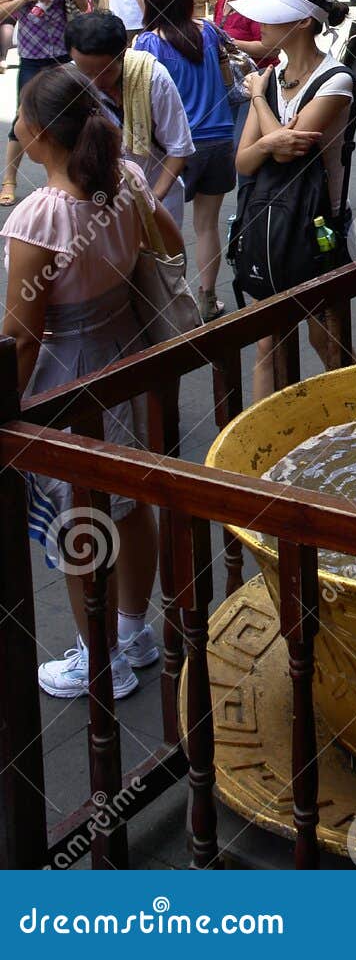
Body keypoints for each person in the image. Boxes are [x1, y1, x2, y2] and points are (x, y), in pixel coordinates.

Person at [1, 65, 182, 699]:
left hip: (68, 369)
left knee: (77, 519)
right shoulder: (127, 178)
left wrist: (8, 407)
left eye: (22, 117)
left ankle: (100, 661)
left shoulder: (38, 218)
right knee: (127, 502)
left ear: (40, 133)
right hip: (127, 350)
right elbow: (171, 242)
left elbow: (23, 336)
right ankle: (133, 633)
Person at [233, 0, 356, 398]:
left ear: (303, 22)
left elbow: (290, 153)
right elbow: (244, 161)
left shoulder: (335, 80)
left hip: (319, 225)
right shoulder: (270, 78)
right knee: (267, 342)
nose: (260, 28)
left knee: (327, 339)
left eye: (271, 19)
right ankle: (265, 435)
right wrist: (269, 141)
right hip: (268, 222)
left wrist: (258, 101)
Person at [134, 0, 236, 322]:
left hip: (174, 148)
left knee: (166, 229)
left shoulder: (147, 44)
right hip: (220, 138)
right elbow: (228, 80)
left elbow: (145, 102)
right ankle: (208, 298)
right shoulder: (209, 31)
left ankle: (172, 301)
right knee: (207, 225)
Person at [66, 10, 194, 228]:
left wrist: (151, 202)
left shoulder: (152, 77)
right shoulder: (70, 82)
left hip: (157, 188)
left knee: (158, 250)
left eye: (105, 72)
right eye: (86, 73)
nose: (95, 83)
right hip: (97, 200)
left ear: (123, 54)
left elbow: (179, 148)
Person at [0, 0, 88, 205]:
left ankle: (72, 176)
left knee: (70, 116)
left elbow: (85, 7)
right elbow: (1, 12)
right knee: (22, 118)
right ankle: (9, 180)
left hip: (62, 55)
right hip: (32, 57)